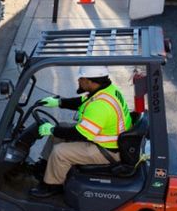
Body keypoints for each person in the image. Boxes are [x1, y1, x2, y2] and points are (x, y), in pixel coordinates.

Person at [29, 65, 132, 199]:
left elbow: (80, 134)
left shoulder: (100, 106)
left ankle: (52, 185)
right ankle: (44, 166)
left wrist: (52, 129)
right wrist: (58, 102)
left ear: (88, 81)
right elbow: (82, 101)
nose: (78, 81)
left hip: (108, 151)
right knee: (63, 126)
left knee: (60, 152)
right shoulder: (106, 91)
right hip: (109, 141)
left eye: (80, 78)